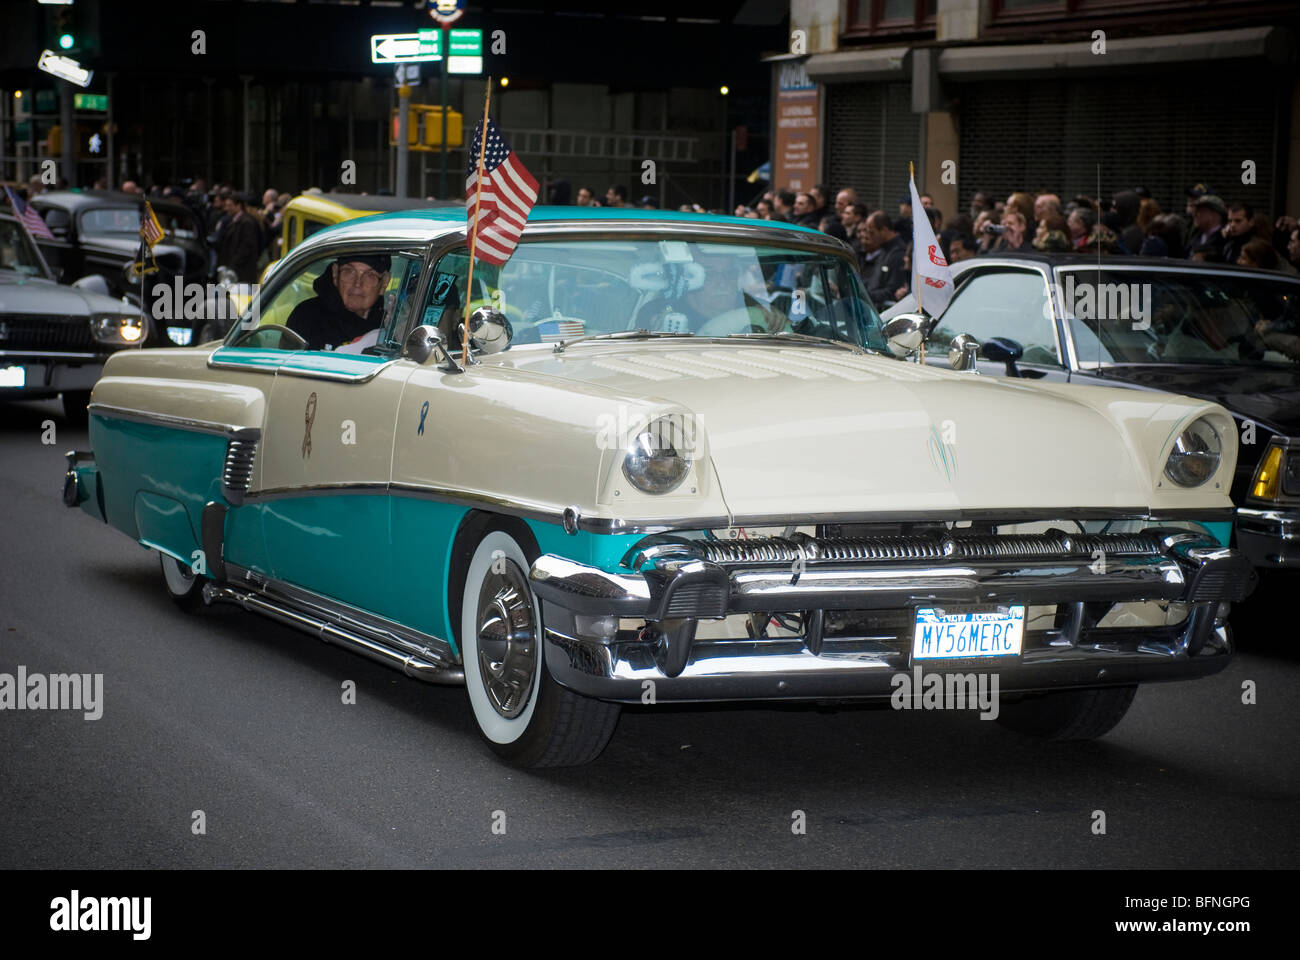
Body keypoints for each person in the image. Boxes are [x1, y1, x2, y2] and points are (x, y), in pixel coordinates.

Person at [286, 255, 391, 351]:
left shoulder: (389, 326)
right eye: (349, 272)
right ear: (335, 274)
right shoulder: (307, 317)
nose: (357, 283)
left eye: (370, 275)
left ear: (384, 283)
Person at [862, 211, 906, 310]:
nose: (869, 236)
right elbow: (875, 281)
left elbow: (892, 291)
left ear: (884, 230)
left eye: (872, 232)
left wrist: (864, 295)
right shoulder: (883, 250)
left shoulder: (898, 254)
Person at [217, 192, 262, 283]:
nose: (227, 208)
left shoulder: (246, 222)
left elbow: (246, 246)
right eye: (226, 205)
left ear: (239, 206)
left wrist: (234, 263)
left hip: (242, 270)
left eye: (230, 205)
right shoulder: (236, 221)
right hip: (236, 268)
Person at [1185, 195, 1227, 261]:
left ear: (1215, 214)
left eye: (1201, 210)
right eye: (1196, 210)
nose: (1195, 214)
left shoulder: (1225, 240)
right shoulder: (1195, 236)